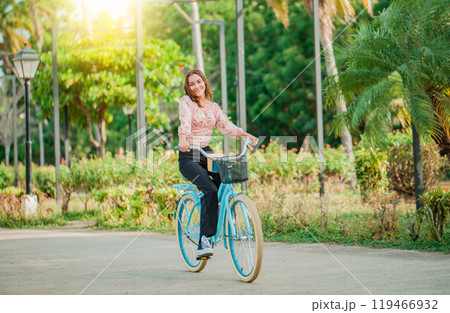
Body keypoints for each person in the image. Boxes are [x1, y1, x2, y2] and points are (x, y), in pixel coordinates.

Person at [178, 69, 257, 259]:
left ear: (204, 82)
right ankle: (204, 239)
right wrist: (182, 139)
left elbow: (225, 126)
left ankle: (225, 221)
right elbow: (185, 122)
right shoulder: (186, 102)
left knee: (226, 179)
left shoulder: (213, 107)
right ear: (188, 88)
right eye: (192, 84)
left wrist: (244, 135)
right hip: (189, 154)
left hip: (207, 152)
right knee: (210, 189)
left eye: (199, 82)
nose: (196, 86)